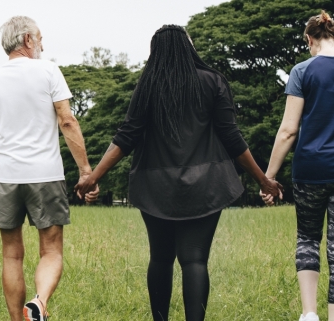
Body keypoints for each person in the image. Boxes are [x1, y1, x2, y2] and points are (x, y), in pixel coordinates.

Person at [74, 25, 282, 321]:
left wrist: (93, 177)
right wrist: (264, 180)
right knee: (195, 260)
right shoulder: (213, 81)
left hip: (155, 186)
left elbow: (127, 136)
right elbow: (231, 137)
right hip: (207, 185)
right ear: (189, 47)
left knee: (160, 258)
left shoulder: (148, 84)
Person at [0, 16, 97, 321]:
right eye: (40, 38)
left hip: (5, 177)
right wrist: (86, 171)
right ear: (27, 40)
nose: (42, 44)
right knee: (51, 251)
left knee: (11, 255)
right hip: (45, 175)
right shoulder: (48, 71)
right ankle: (38, 303)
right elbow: (67, 121)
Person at [260, 10, 334, 321]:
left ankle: (309, 314)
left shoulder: (302, 71)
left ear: (310, 40)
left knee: (307, 238)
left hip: (310, 170)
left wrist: (269, 177)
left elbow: (289, 130)